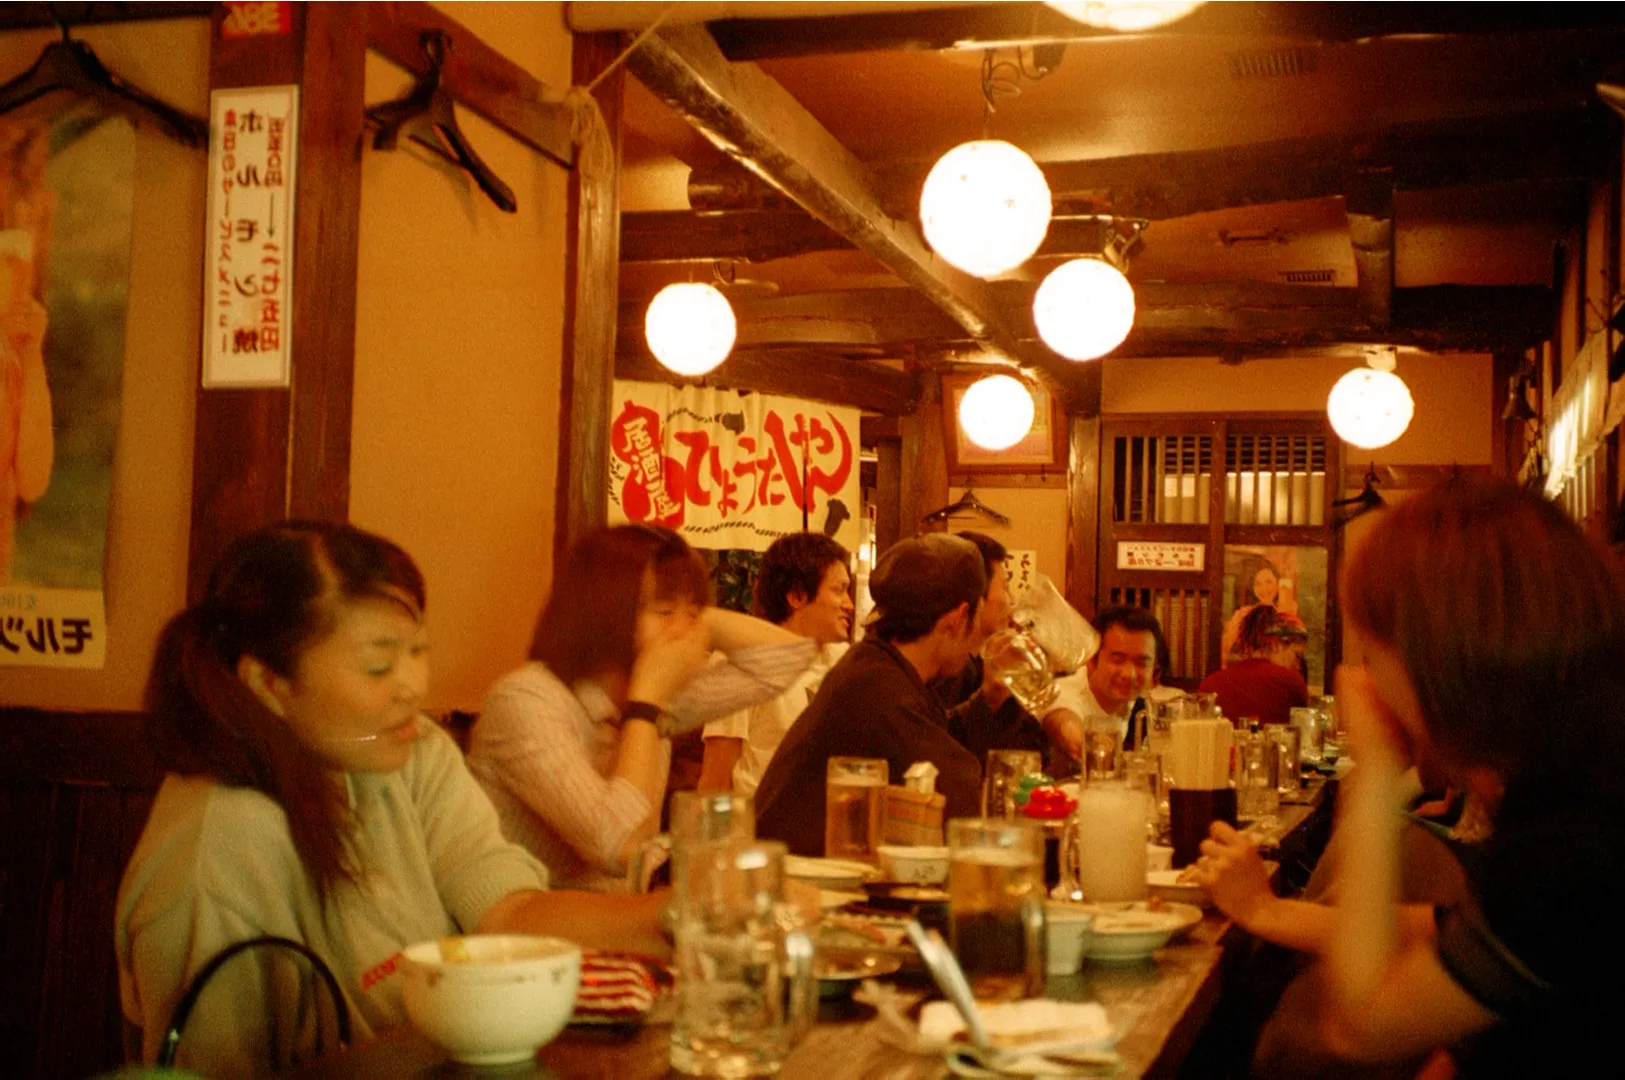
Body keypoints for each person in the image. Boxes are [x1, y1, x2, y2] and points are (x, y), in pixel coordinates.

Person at [115, 521, 672, 1075]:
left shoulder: (412, 754)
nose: (414, 686)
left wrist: (673, 915)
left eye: (418, 652)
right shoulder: (217, 853)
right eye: (379, 665)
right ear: (269, 685)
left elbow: (508, 913)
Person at [1219, 479, 1625, 1076]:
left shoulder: (1572, 845)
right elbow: (1439, 928)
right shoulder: (1570, 779)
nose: (1364, 680)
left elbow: (1360, 1027)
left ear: (1434, 661)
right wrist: (1266, 911)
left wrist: (1374, 780)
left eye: (1371, 654)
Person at [467, 524, 814, 891]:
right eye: (664, 610)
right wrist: (645, 705)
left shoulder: (657, 692)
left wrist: (690, 613)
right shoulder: (527, 701)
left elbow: (789, 658)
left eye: (693, 614)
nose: (687, 632)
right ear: (607, 612)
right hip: (531, 924)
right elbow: (619, 847)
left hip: (625, 917)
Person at [754, 533, 987, 856]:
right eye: (979, 617)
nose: (978, 638)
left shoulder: (873, 667)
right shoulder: (880, 687)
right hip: (792, 881)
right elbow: (961, 802)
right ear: (956, 620)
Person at [696, 532, 854, 796]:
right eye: (838, 590)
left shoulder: (842, 661)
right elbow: (716, 782)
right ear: (797, 596)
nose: (849, 604)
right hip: (757, 820)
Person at [927, 531, 1056, 768]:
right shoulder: (947, 670)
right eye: (1005, 587)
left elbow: (1032, 752)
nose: (1012, 599)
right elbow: (948, 756)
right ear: (977, 597)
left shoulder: (980, 662)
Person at [1042, 605, 1165, 761]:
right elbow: (1061, 719)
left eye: (1142, 663)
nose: (1130, 674)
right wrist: (1083, 742)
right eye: (1118, 660)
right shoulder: (1063, 692)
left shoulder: (1140, 705)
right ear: (1091, 659)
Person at [1195, 604, 1309, 727]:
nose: (1298, 666)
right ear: (1276, 644)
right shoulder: (1292, 682)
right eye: (1297, 656)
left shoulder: (1208, 686)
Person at [1220, 554, 1303, 664]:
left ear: (1278, 584)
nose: (1263, 588)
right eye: (1258, 584)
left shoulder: (1288, 612)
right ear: (1252, 588)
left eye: (1268, 582)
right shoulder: (1243, 614)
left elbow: (1297, 651)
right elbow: (1225, 649)